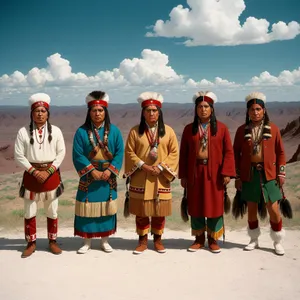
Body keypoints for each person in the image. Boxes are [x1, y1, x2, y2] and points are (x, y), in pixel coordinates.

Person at [179, 91, 235, 253]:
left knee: (214, 205)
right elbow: (183, 153)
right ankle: (198, 238)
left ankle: (213, 238)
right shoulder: (189, 129)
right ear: (196, 110)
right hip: (195, 172)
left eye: (206, 107)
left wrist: (226, 173)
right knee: (195, 205)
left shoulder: (222, 129)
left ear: (212, 109)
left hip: (215, 174)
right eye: (200, 107)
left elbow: (228, 152)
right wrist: (183, 175)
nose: (203, 110)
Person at [123, 92, 179, 254]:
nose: (152, 113)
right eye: (148, 110)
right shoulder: (135, 131)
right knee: (142, 210)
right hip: (141, 176)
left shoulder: (168, 131)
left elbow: (174, 152)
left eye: (155, 110)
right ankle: (142, 240)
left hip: (161, 177)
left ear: (159, 112)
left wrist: (161, 167)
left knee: (159, 210)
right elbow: (129, 152)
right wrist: (143, 166)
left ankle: (158, 240)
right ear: (143, 113)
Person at [233, 92, 286, 255]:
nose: (255, 112)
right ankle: (254, 240)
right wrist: (238, 176)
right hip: (249, 174)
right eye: (252, 110)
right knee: (251, 208)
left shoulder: (274, 129)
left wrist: (281, 173)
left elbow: (281, 153)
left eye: (258, 109)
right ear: (247, 112)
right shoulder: (242, 130)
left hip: (269, 174)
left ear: (264, 110)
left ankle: (277, 241)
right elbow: (235, 154)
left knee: (273, 208)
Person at [14, 93, 66, 258]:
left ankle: (52, 242)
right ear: (32, 113)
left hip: (51, 175)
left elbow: (61, 153)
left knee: (52, 210)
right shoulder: (23, 132)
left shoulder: (56, 131)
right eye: (37, 110)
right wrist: (35, 172)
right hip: (31, 175)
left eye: (43, 110)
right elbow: (19, 155)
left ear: (48, 113)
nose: (40, 114)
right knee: (29, 211)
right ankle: (31, 243)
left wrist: (49, 171)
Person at [72, 91, 124, 254]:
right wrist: (91, 171)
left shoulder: (114, 131)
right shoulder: (81, 132)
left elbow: (119, 153)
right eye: (94, 110)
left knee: (107, 207)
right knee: (86, 208)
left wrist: (110, 171)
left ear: (105, 112)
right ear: (89, 112)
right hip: (89, 176)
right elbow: (77, 154)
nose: (97, 113)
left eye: (100, 110)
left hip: (108, 177)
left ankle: (105, 240)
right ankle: (86, 241)